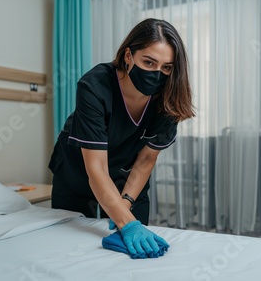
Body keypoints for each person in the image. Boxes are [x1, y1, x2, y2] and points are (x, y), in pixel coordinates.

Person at [48, 18, 195, 258]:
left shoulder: (168, 98)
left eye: (166, 67)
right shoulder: (95, 86)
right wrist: (128, 224)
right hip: (78, 171)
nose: (157, 74)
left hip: (126, 176)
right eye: (149, 62)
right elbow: (95, 167)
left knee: (135, 253)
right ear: (128, 56)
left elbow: (146, 160)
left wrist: (124, 207)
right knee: (72, 249)